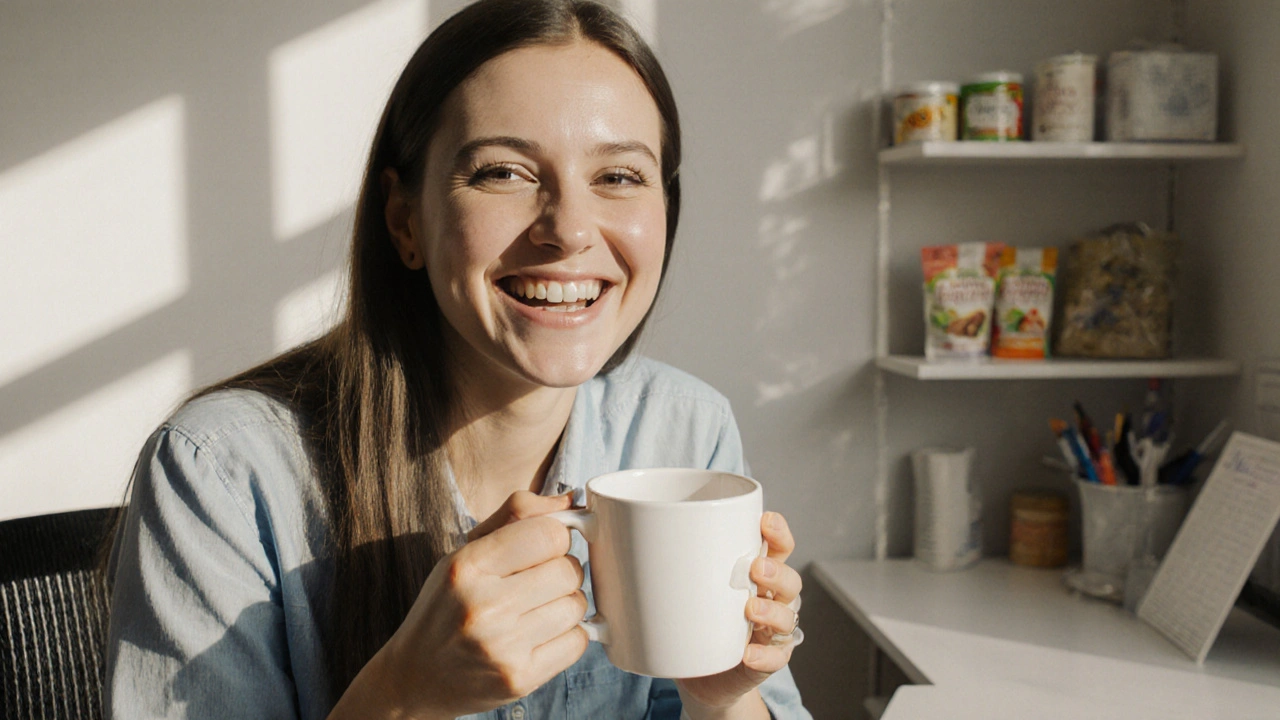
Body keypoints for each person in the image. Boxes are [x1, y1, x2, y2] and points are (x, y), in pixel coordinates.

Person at [104, 1, 810, 718]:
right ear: (404, 220)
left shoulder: (687, 430)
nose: (569, 229)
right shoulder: (222, 472)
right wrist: (403, 695)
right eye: (504, 172)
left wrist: (724, 700)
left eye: (620, 177)